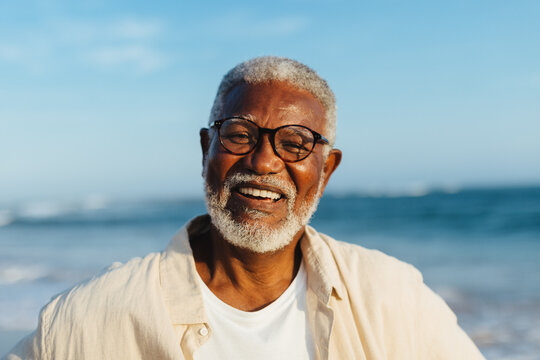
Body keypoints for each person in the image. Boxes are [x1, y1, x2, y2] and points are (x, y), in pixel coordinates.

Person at [4, 56, 484, 360]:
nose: (263, 161)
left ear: (327, 169)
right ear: (205, 149)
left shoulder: (395, 299)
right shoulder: (86, 321)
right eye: (239, 134)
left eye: (295, 143)